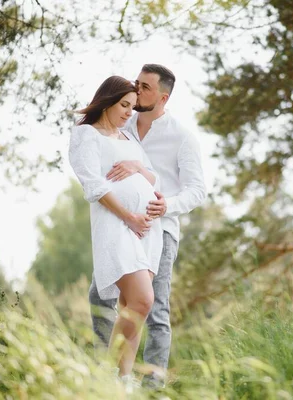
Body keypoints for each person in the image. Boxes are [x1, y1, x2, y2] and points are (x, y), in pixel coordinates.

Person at [89, 64, 206, 387]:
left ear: (163, 97)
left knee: (154, 307)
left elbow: (197, 190)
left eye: (145, 87)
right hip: (121, 227)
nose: (136, 91)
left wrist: (168, 204)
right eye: (136, 84)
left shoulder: (181, 137)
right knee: (100, 296)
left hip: (160, 231)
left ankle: (152, 386)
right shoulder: (123, 124)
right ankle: (107, 376)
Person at [68, 76, 163, 383]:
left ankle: (122, 384)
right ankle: (105, 378)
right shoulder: (86, 135)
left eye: (133, 108)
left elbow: (154, 180)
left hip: (148, 230)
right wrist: (129, 217)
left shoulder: (129, 140)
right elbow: (93, 185)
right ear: (107, 100)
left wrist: (137, 168)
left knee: (132, 309)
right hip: (118, 225)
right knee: (142, 300)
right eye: (124, 105)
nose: (128, 113)